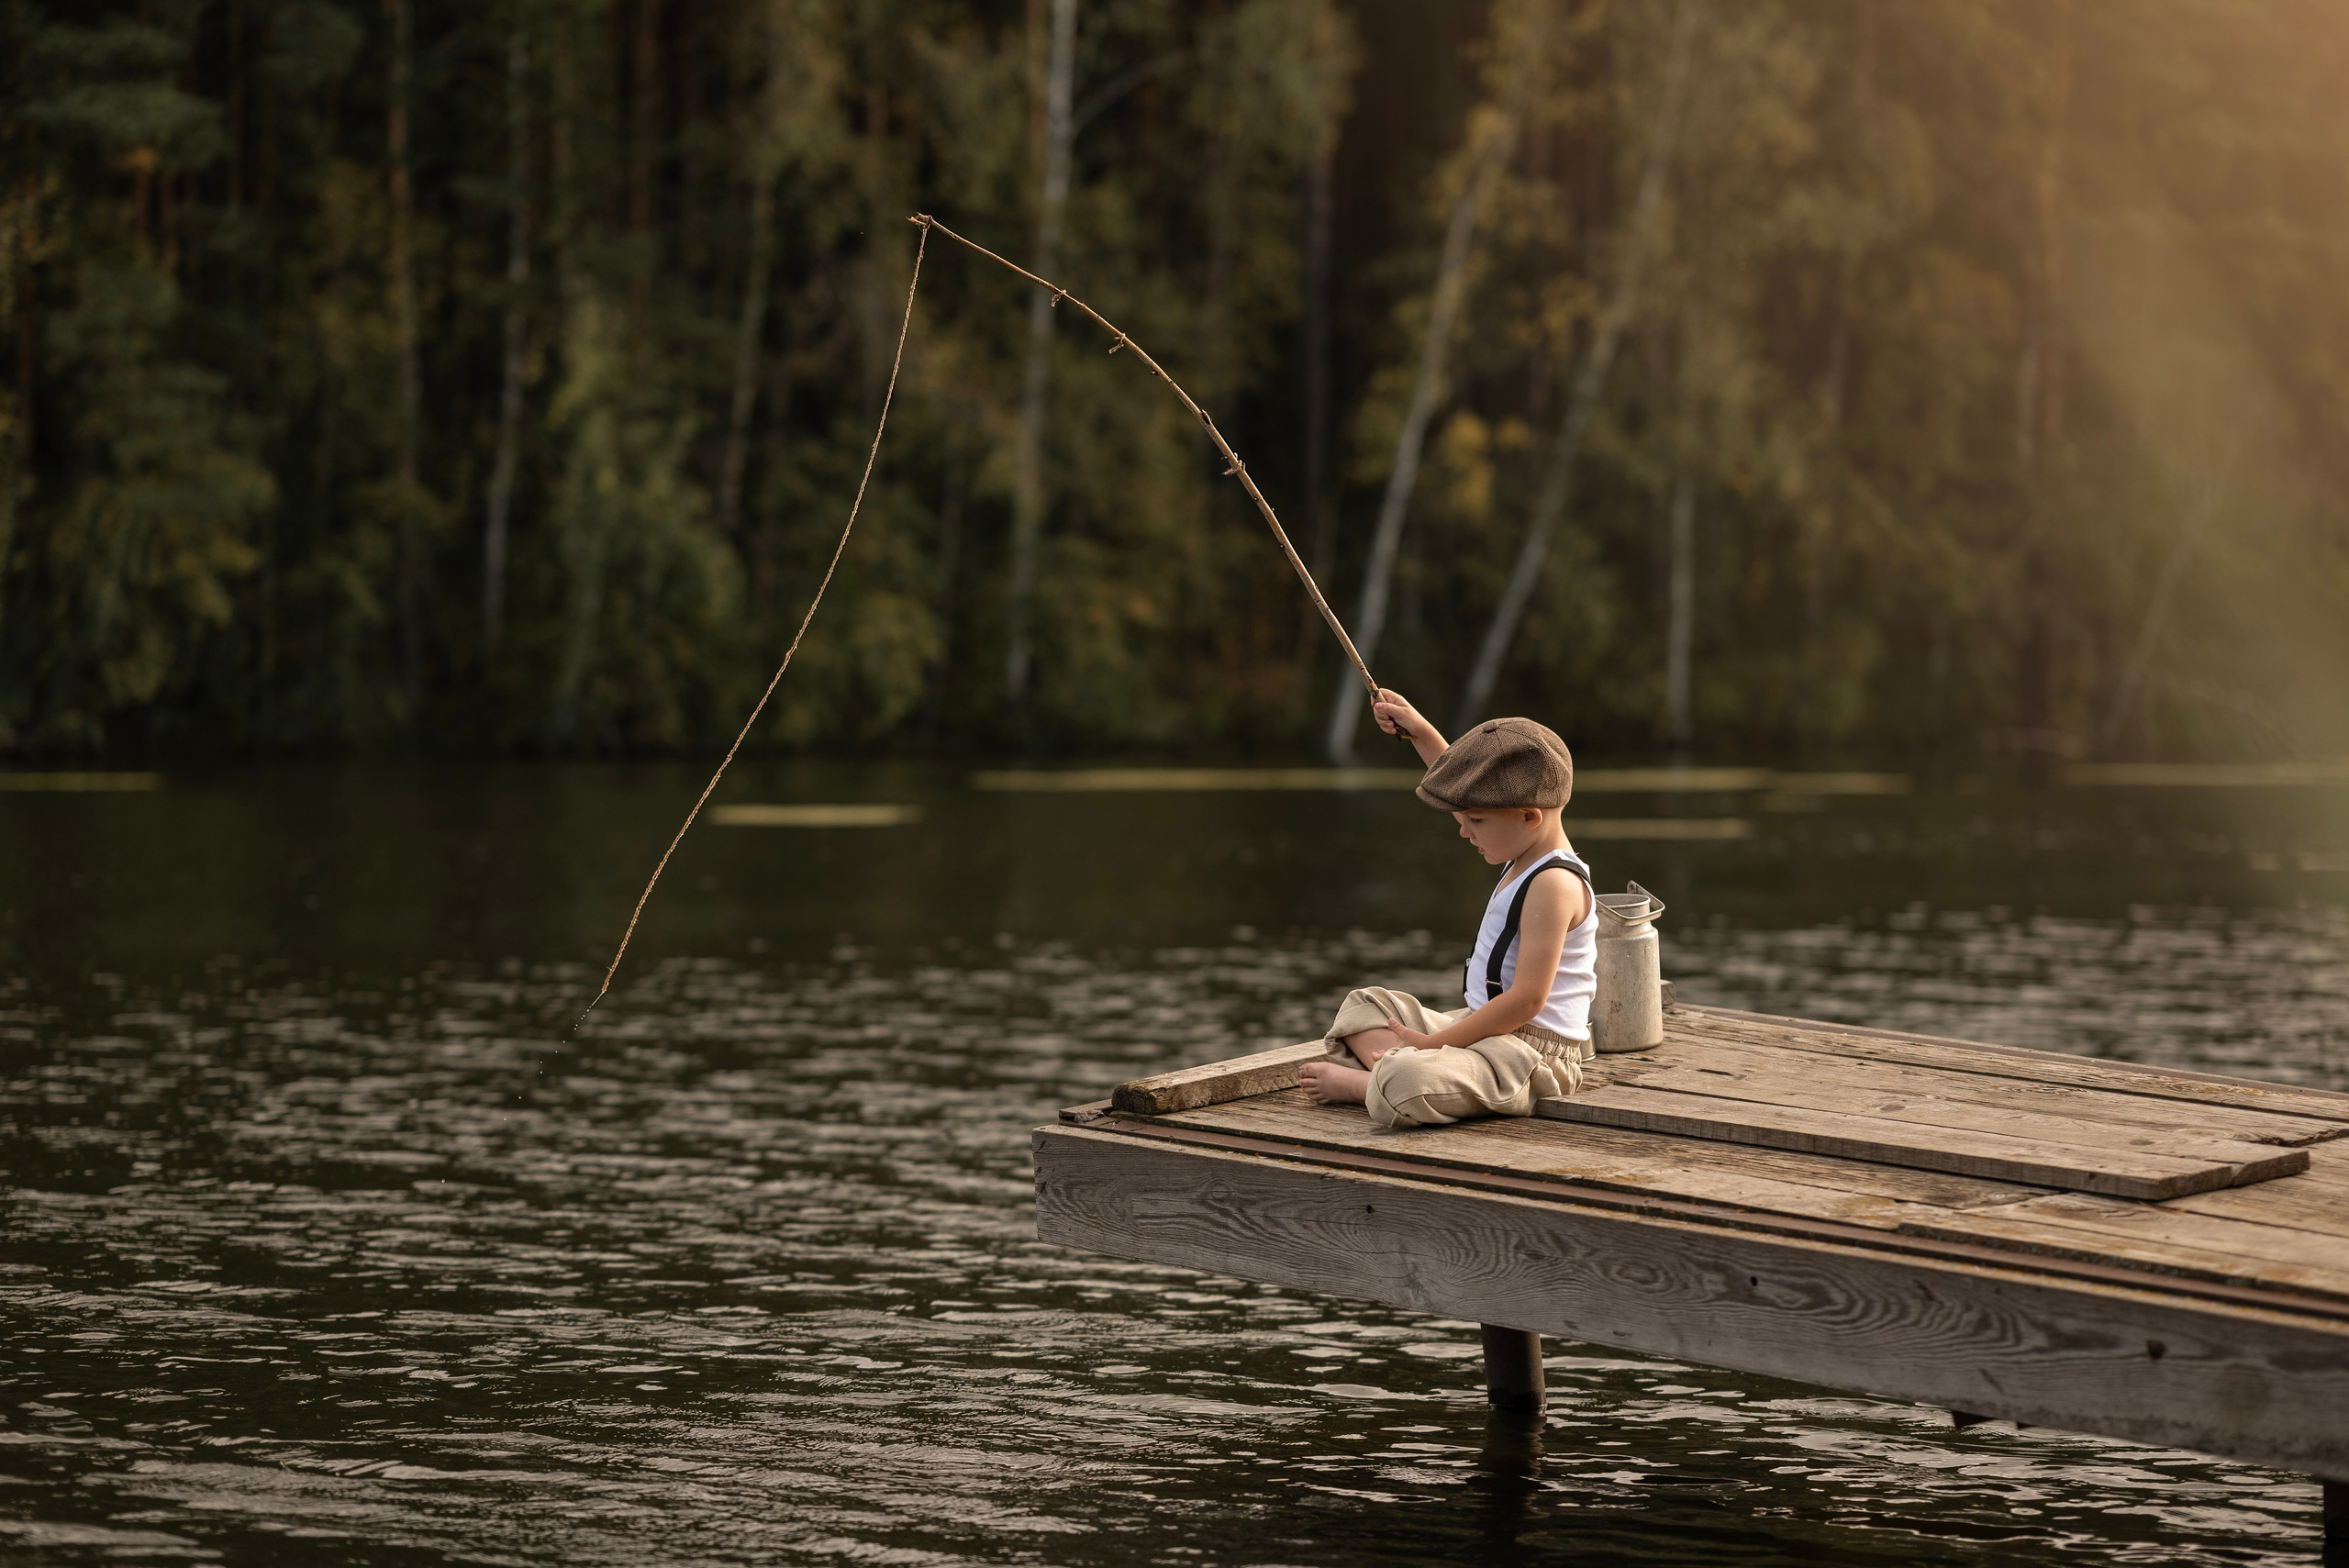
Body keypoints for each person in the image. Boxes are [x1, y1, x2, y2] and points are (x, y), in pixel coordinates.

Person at [1297, 688, 1594, 1129]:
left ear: (1530, 817)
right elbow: (1465, 787)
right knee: (1365, 1006)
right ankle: (1404, 1074)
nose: (1464, 832)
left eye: (1474, 822)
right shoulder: (1525, 849)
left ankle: (1366, 1085)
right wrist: (1420, 731)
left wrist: (1434, 1044)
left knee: (1408, 1075)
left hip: (1531, 1055)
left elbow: (1527, 1001)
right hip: (1484, 1029)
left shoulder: (1553, 883)